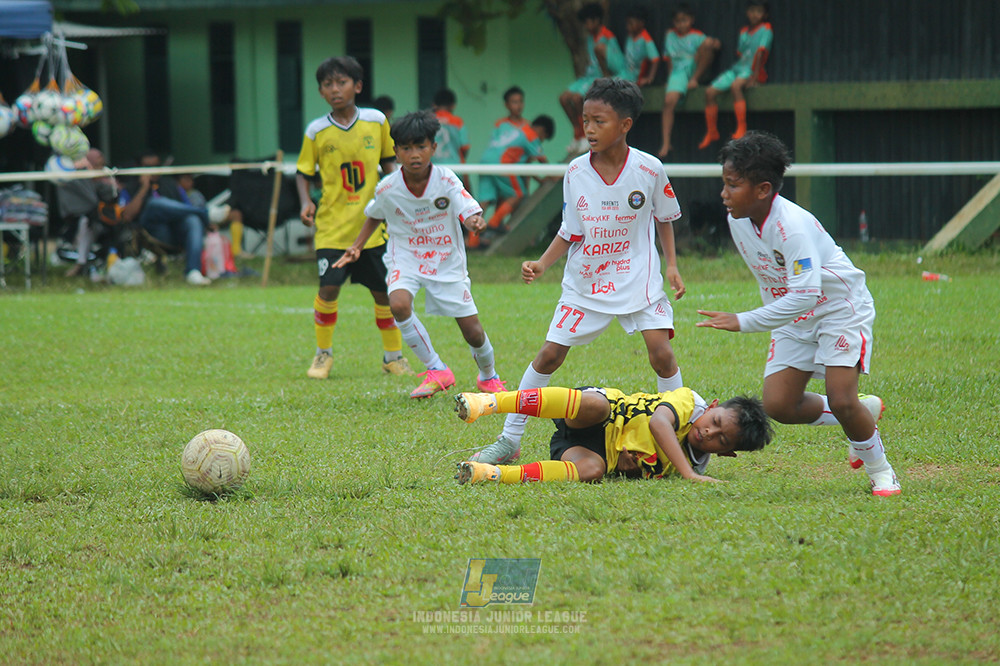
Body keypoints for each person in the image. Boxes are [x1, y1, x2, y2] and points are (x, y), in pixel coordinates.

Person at [472, 78, 686, 466]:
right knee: (549, 356)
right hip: (586, 282)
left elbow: (665, 218)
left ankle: (681, 432)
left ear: (625, 124)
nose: (588, 128)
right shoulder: (575, 171)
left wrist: (671, 265)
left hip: (638, 277)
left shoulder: (649, 169)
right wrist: (541, 263)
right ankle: (510, 439)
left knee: (662, 355)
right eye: (585, 120)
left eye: (598, 121)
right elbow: (571, 230)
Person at [696, 131, 900, 497]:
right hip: (792, 314)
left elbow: (805, 296)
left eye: (732, 184)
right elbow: (774, 281)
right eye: (723, 183)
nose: (724, 194)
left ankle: (881, 470)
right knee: (780, 404)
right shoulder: (738, 219)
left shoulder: (792, 227)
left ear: (762, 189)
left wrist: (743, 320)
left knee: (840, 397)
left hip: (838, 309)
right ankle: (860, 414)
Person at [332, 111, 506, 399]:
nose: (414, 154)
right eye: (406, 148)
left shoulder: (446, 179)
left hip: (446, 260)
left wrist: (474, 220)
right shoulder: (388, 187)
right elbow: (375, 215)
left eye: (421, 147)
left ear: (433, 148)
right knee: (398, 304)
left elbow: (467, 208)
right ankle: (436, 369)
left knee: (472, 331)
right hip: (407, 256)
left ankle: (489, 377)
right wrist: (357, 246)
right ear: (396, 152)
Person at [295, 55, 409, 380]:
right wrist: (306, 202)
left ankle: (393, 357)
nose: (335, 89)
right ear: (320, 91)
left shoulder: (376, 120)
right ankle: (323, 355)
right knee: (328, 290)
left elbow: (390, 163)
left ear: (357, 86)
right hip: (331, 228)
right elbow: (303, 172)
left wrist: (401, 196)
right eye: (328, 84)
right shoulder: (316, 131)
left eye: (342, 82)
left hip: (372, 228)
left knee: (384, 293)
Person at [454, 385, 772, 484]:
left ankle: (491, 474)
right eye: (715, 420)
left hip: (591, 451)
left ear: (726, 453)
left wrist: (625, 466)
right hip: (600, 412)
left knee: (593, 471)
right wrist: (688, 474)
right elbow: (659, 424)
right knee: (596, 405)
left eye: (722, 439)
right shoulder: (689, 403)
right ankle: (489, 402)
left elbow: (635, 469)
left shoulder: (687, 464)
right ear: (713, 406)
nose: (709, 431)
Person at [119, 151, 221, 285]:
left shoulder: (172, 185)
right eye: (147, 167)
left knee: (193, 220)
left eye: (156, 166)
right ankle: (205, 213)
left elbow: (186, 208)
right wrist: (144, 187)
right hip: (150, 231)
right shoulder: (130, 187)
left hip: (175, 233)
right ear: (139, 167)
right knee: (155, 203)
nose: (152, 170)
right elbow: (127, 216)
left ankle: (193, 272)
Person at [469, 114, 554, 249]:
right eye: (543, 138)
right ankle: (494, 222)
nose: (541, 141)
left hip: (485, 160)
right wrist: (555, 174)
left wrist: (539, 179)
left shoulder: (514, 132)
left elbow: (525, 167)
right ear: (541, 130)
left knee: (483, 202)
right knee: (517, 194)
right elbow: (541, 159)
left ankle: (472, 241)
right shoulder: (530, 134)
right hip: (502, 162)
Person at [698, 0, 772, 150]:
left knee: (736, 87)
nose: (755, 14)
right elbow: (740, 53)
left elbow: (760, 53)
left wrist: (755, 76)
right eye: (752, 10)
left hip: (751, 70)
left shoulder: (766, 29)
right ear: (747, 12)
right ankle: (712, 131)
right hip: (738, 68)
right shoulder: (743, 31)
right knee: (709, 92)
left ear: (764, 14)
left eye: (758, 11)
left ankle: (741, 127)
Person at [558, 3, 625, 157]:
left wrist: (604, 81)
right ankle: (577, 134)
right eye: (585, 22)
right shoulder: (590, 38)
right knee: (563, 98)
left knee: (576, 98)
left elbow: (610, 66)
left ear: (597, 20)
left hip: (602, 76)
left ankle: (585, 134)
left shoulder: (606, 37)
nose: (587, 25)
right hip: (589, 76)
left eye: (590, 21)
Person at [658, 3, 721, 158]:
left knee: (707, 44)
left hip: (695, 69)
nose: (681, 24)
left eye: (684, 20)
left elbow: (715, 46)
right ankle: (666, 142)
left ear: (691, 20)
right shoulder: (670, 36)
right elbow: (669, 60)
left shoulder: (697, 36)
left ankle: (694, 80)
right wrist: (670, 78)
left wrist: (713, 43)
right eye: (678, 21)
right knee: (669, 101)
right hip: (678, 73)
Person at [57, 148, 118, 277]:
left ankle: (83, 263)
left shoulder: (108, 177)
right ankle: (81, 263)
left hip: (112, 216)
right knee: (87, 222)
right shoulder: (81, 179)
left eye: (101, 165)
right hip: (90, 219)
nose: (99, 168)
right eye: (96, 165)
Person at [620, 6, 661, 88]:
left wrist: (650, 78)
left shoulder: (646, 39)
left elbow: (656, 59)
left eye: (631, 23)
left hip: (635, 76)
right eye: (627, 23)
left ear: (641, 23)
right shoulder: (629, 37)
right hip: (625, 71)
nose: (628, 26)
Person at [431, 88, 470, 166]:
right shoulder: (457, 122)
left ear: (434, 105)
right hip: (454, 168)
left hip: (432, 168)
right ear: (453, 106)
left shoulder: (428, 121)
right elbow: (465, 147)